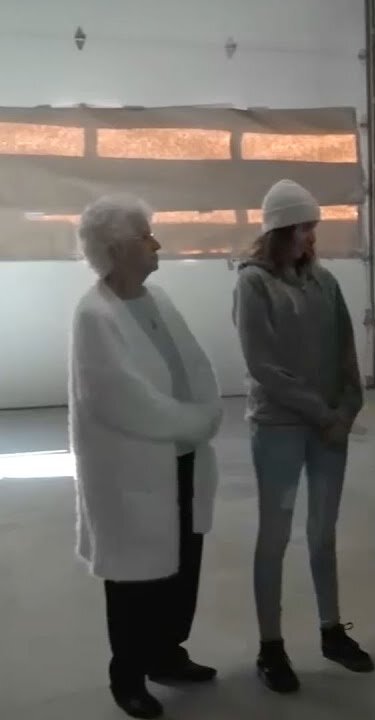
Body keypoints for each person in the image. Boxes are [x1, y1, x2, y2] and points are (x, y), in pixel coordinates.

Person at [69, 195, 224, 720]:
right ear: (117, 248)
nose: (156, 244)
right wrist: (194, 421)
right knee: (136, 578)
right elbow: (120, 399)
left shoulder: (158, 300)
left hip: (180, 458)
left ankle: (167, 655)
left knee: (182, 566)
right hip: (132, 472)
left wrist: (206, 410)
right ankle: (128, 674)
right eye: (145, 236)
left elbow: (196, 365)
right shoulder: (94, 315)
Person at [233, 179, 372, 694]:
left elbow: (346, 352)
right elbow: (263, 366)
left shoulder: (324, 282)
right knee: (274, 536)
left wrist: (348, 409)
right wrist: (320, 411)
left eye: (313, 228)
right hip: (280, 429)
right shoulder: (252, 284)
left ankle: (333, 631)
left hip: (328, 429)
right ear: (278, 230)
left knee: (323, 532)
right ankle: (271, 646)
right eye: (302, 229)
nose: (311, 237)